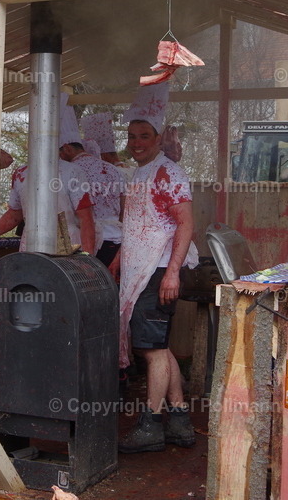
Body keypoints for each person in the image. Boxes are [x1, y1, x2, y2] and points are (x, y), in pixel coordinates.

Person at [111, 92, 199, 454]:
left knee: (152, 352)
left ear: (160, 138)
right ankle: (178, 420)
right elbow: (137, 225)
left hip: (160, 270)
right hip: (141, 269)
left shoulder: (169, 172)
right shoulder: (140, 173)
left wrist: (172, 274)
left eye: (144, 136)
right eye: (131, 137)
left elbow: (185, 225)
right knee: (158, 348)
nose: (136, 143)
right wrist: (118, 258)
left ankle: (150, 425)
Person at [59, 98, 126, 268]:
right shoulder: (113, 170)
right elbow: (124, 210)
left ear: (66, 148)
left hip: (90, 243)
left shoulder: (70, 172)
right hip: (117, 242)